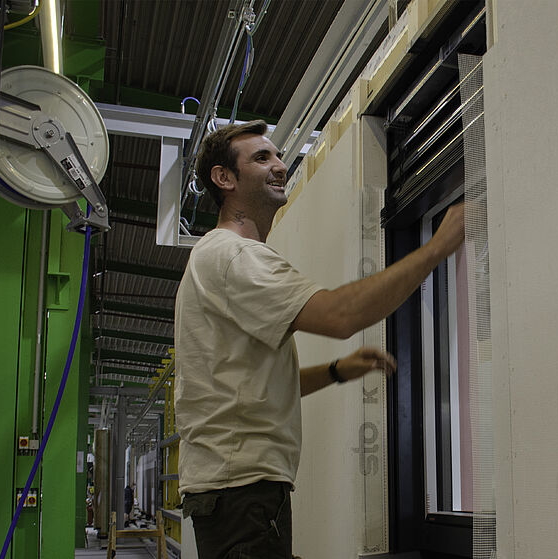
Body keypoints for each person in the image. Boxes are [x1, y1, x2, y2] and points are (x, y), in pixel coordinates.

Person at [174, 120, 464, 559]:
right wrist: (437, 248)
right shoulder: (232, 255)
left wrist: (335, 371)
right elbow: (341, 314)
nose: (279, 165)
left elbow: (248, 386)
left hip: (234, 489)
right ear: (224, 178)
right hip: (243, 490)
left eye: (277, 156)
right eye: (261, 158)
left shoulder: (217, 258)